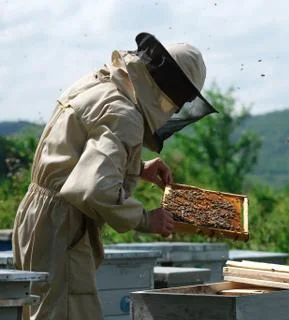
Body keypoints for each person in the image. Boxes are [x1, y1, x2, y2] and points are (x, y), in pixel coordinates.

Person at [12, 32, 217, 319]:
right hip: (63, 224)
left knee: (41, 311)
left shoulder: (103, 83)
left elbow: (79, 156)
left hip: (37, 215)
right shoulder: (125, 114)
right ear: (169, 91)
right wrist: (147, 219)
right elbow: (93, 190)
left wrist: (136, 167)